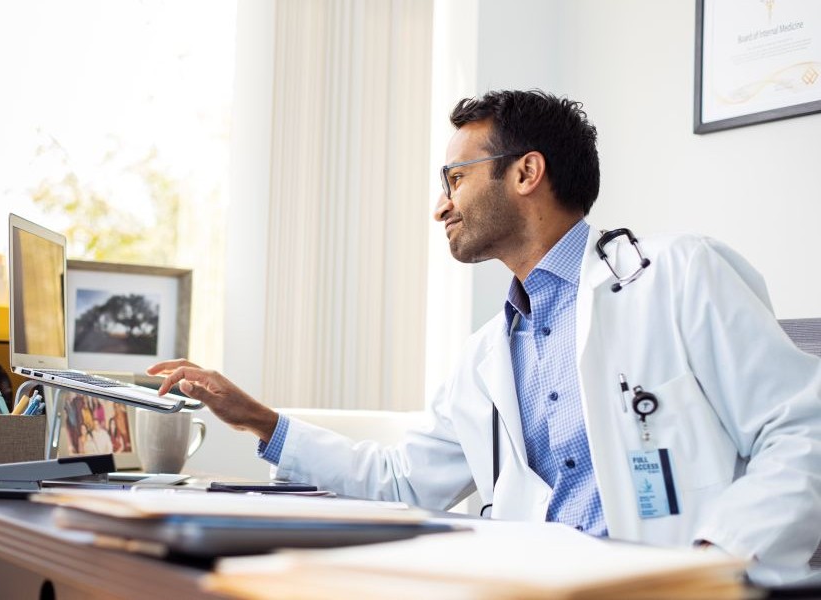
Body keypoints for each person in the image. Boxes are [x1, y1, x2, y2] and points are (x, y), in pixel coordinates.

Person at [148, 90, 821, 582]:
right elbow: (404, 483)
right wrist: (260, 421)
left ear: (526, 173)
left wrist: (716, 562)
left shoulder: (677, 275)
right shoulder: (485, 356)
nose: (440, 205)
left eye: (455, 179)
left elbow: (803, 434)